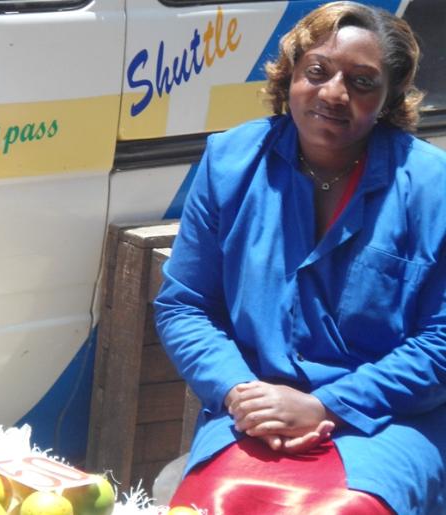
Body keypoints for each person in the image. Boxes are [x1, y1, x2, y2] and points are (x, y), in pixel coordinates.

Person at [154, 2, 446, 514]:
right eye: (317, 71)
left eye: (362, 82)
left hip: (384, 423)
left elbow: (439, 343)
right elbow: (186, 305)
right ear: (290, 74)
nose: (333, 93)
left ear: (389, 98)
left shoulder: (431, 187)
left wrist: (326, 406)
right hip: (254, 413)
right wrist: (239, 392)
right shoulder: (231, 163)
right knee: (216, 502)